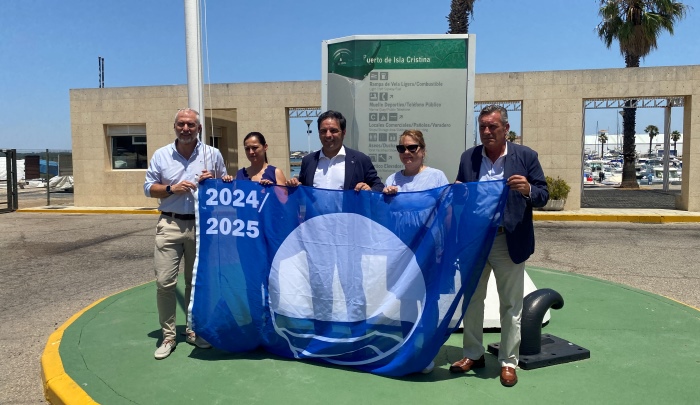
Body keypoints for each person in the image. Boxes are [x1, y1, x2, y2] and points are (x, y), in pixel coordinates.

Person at [450, 105, 548, 387]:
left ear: (506, 128)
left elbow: (543, 194)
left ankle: (508, 362)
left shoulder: (526, 156)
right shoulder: (468, 158)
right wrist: (458, 191)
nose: (487, 132)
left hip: (509, 239)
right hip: (476, 241)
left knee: (511, 305)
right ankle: (473, 354)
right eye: (482, 127)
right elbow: (462, 195)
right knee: (471, 302)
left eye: (492, 126)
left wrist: (528, 189)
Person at [144, 108, 233, 360]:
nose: (186, 129)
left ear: (199, 128)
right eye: (181, 124)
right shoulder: (161, 155)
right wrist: (172, 188)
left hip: (201, 226)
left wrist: (213, 181)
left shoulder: (212, 154)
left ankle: (194, 330)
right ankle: (169, 335)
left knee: (195, 283)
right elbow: (149, 188)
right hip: (170, 224)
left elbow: (223, 186)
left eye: (191, 125)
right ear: (175, 127)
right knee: (164, 283)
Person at [383, 129, 449, 374]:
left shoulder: (436, 177)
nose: (407, 153)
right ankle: (409, 347)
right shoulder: (392, 180)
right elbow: (388, 218)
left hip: (430, 249)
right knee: (407, 300)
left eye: (412, 148)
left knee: (429, 300)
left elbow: (447, 212)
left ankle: (427, 350)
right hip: (402, 251)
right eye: (402, 149)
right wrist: (386, 199)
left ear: (423, 150)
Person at [285, 110, 384, 192]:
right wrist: (294, 185)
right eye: (323, 131)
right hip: (316, 216)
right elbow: (302, 189)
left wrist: (369, 189)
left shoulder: (360, 159)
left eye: (333, 130)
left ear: (343, 132)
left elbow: (379, 187)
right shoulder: (308, 161)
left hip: (348, 215)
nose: (328, 135)